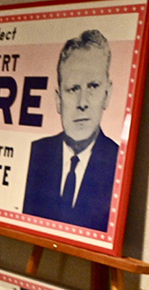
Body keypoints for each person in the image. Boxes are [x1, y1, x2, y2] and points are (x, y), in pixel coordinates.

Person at [22, 29, 118, 231]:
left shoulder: (118, 162)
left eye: (92, 86)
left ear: (107, 94)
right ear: (58, 100)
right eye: (73, 88)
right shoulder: (37, 153)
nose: (82, 103)